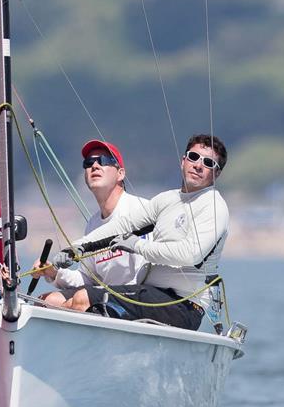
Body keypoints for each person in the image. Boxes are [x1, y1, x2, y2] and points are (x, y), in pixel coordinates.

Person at [53, 134, 229, 330]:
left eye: (208, 163)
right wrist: (77, 248)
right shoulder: (166, 200)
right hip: (150, 294)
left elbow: (190, 254)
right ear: (183, 161)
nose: (198, 165)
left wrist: (138, 246)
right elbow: (122, 225)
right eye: (194, 157)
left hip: (183, 305)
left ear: (216, 174)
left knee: (83, 299)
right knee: (52, 302)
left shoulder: (213, 206)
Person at [31, 139, 150, 307]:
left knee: (80, 300)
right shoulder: (93, 224)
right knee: (46, 301)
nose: (94, 166)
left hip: (140, 295)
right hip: (108, 292)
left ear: (121, 174)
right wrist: (53, 272)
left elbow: (146, 271)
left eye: (104, 161)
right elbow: (87, 278)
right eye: (88, 163)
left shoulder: (141, 211)